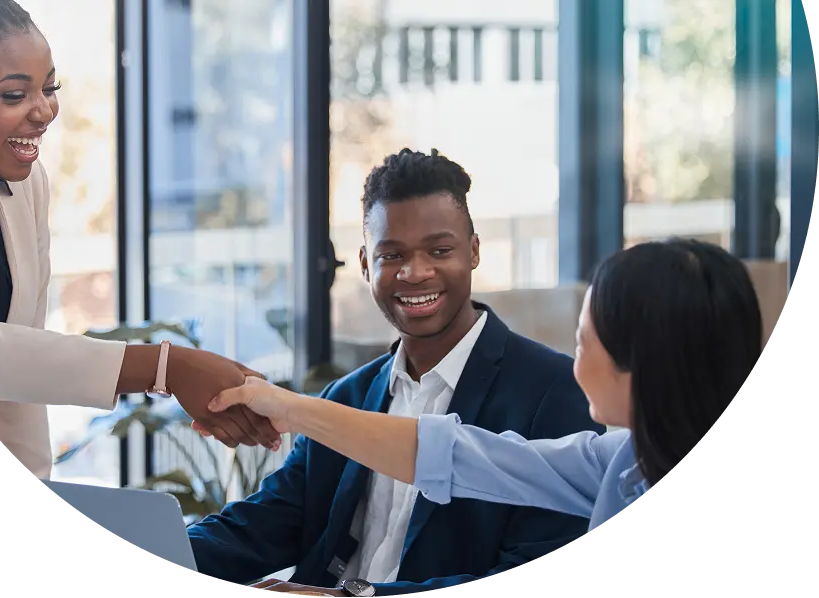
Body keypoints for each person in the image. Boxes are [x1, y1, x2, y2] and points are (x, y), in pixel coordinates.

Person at [0, 0, 280, 479]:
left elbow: (18, 372)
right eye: (14, 95)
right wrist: (167, 368)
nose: (44, 111)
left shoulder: (26, 183)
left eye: (50, 88)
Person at [186, 148, 605, 597]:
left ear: (475, 251)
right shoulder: (344, 398)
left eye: (439, 250)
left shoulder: (555, 392)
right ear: (366, 264)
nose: (416, 272)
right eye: (392, 255)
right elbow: (259, 527)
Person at [207, 238, 765, 544]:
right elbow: (454, 457)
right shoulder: (618, 460)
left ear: (639, 363)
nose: (415, 273)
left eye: (582, 341)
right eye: (391, 254)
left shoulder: (583, 428)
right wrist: (288, 407)